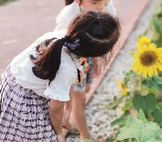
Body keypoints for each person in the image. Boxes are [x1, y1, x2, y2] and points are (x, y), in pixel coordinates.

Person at [0, 11, 120, 142]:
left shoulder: (62, 38)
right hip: (24, 102)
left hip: (10, 83)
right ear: (95, 54)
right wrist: (58, 133)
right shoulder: (66, 68)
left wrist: (66, 113)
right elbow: (55, 110)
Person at [54, 0, 117, 140]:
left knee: (86, 89)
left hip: (87, 57)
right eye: (96, 1)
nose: (103, 5)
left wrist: (97, 60)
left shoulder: (107, 6)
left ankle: (68, 109)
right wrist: (76, 71)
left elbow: (103, 37)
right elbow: (62, 50)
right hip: (71, 60)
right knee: (80, 99)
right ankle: (85, 136)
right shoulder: (67, 18)